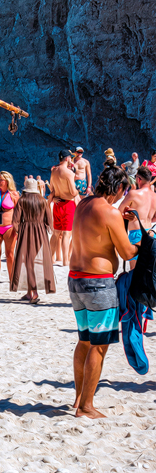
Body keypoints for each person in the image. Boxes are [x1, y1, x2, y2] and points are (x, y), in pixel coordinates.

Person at [68, 166, 137, 418]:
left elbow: (99, 226)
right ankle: (86, 407)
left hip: (75, 280)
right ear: (118, 188)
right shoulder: (110, 213)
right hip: (98, 284)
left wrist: (118, 214)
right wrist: (143, 244)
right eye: (123, 190)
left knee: (84, 341)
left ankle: (78, 398)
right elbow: (127, 252)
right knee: (99, 346)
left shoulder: (83, 204)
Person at [10, 178, 55, 304]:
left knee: (28, 261)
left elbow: (15, 221)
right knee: (32, 260)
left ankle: (34, 292)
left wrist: (19, 231)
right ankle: (30, 292)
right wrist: (44, 229)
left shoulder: (22, 200)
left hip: (26, 231)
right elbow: (48, 219)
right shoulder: (42, 200)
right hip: (40, 232)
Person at [118, 166, 156, 267]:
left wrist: (127, 216)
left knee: (134, 272)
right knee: (149, 271)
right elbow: (154, 218)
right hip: (151, 234)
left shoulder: (133, 194)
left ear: (138, 179)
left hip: (137, 234)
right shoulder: (155, 196)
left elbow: (118, 213)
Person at [49, 151, 79, 267]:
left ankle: (50, 259)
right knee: (67, 234)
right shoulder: (68, 173)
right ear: (67, 159)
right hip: (68, 204)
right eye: (70, 158)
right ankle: (66, 261)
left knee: (56, 233)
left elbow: (51, 188)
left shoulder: (54, 171)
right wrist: (78, 190)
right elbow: (72, 192)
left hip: (57, 204)